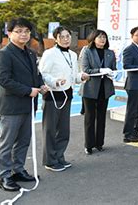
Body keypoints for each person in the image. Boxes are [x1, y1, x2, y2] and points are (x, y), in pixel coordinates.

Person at [0, 18, 47, 191]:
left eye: (26, 31)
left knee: (23, 141)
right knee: (6, 143)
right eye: (19, 31)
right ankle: (3, 175)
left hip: (28, 105)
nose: (23, 34)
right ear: (9, 33)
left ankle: (17, 170)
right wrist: (28, 90)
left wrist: (40, 84)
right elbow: (4, 80)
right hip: (11, 107)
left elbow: (36, 74)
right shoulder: (4, 54)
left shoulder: (31, 52)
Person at [39, 26, 89, 171]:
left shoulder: (73, 55)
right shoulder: (49, 53)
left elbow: (74, 75)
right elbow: (43, 74)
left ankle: (59, 157)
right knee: (50, 130)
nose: (66, 39)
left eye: (68, 36)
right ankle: (50, 161)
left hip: (67, 95)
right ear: (56, 38)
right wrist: (54, 81)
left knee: (63, 130)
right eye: (63, 36)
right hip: (53, 96)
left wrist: (81, 77)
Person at [80, 30, 116, 155]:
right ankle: (89, 145)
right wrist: (101, 70)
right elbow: (86, 70)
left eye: (104, 37)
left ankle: (99, 143)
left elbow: (113, 69)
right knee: (90, 118)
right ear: (93, 38)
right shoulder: (87, 51)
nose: (102, 39)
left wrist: (112, 74)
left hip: (104, 89)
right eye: (100, 37)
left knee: (101, 117)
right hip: (90, 88)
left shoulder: (110, 53)